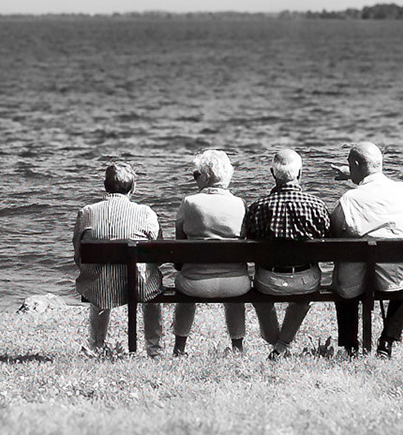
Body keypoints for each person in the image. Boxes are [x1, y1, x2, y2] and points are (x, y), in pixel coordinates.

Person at [328, 141, 403, 357]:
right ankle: (387, 341)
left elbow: (335, 231)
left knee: (343, 276)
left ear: (356, 164)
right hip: (396, 279)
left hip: (356, 282)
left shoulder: (349, 199)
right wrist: (354, 174)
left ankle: (350, 346)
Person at [242, 148, 331, 357]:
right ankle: (281, 345)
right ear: (300, 173)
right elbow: (329, 237)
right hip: (305, 280)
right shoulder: (317, 206)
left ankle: (276, 343)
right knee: (303, 296)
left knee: (260, 296)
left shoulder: (258, 207)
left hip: (268, 281)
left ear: (273, 174)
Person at [72, 162, 164, 355]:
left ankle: (97, 345)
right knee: (152, 287)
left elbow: (78, 253)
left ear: (105, 186)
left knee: (99, 279)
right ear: (133, 187)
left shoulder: (87, 212)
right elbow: (159, 252)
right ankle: (154, 348)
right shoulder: (145, 212)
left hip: (100, 286)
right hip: (140, 285)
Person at [170, 149, 250, 354]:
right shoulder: (240, 204)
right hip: (236, 284)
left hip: (194, 284)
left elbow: (180, 246)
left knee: (181, 283)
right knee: (235, 286)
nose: (195, 179)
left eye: (196, 174)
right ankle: (237, 347)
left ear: (206, 176)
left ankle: (179, 348)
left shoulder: (189, 203)